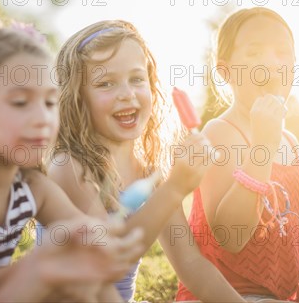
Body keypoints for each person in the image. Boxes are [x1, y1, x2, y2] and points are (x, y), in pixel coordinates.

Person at [0, 23, 145, 302]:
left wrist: (99, 240)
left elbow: (92, 241)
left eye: (49, 103)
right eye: (21, 102)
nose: (42, 118)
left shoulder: (32, 187)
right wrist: (39, 268)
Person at [176, 7, 299, 302]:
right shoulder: (221, 133)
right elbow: (231, 237)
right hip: (230, 294)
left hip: (284, 294)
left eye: (282, 52)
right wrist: (262, 147)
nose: (270, 62)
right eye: (254, 52)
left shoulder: (289, 141)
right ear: (226, 71)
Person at [49, 20, 249, 302]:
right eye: (105, 83)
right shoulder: (69, 168)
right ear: (77, 97)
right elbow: (108, 257)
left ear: (152, 86)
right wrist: (176, 188)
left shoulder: (150, 173)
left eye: (137, 79)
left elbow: (191, 265)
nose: (127, 93)